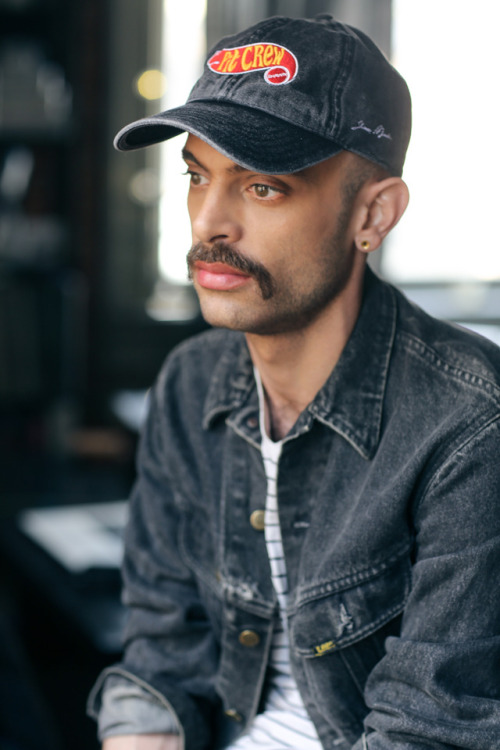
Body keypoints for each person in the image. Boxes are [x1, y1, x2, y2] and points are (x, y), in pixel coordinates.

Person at [88, 14, 500, 750]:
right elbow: (161, 651)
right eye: (196, 176)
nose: (210, 223)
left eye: (263, 188)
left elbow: (433, 732)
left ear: (373, 214)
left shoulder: (471, 423)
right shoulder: (189, 384)